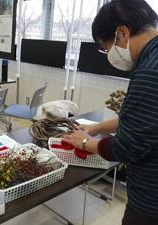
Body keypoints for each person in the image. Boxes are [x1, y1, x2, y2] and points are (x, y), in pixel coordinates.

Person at [62, 1, 158, 224]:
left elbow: (126, 149)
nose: (108, 54)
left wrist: (86, 143)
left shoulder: (149, 73)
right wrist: (96, 128)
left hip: (150, 200)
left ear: (122, 32)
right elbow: (145, 120)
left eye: (106, 48)